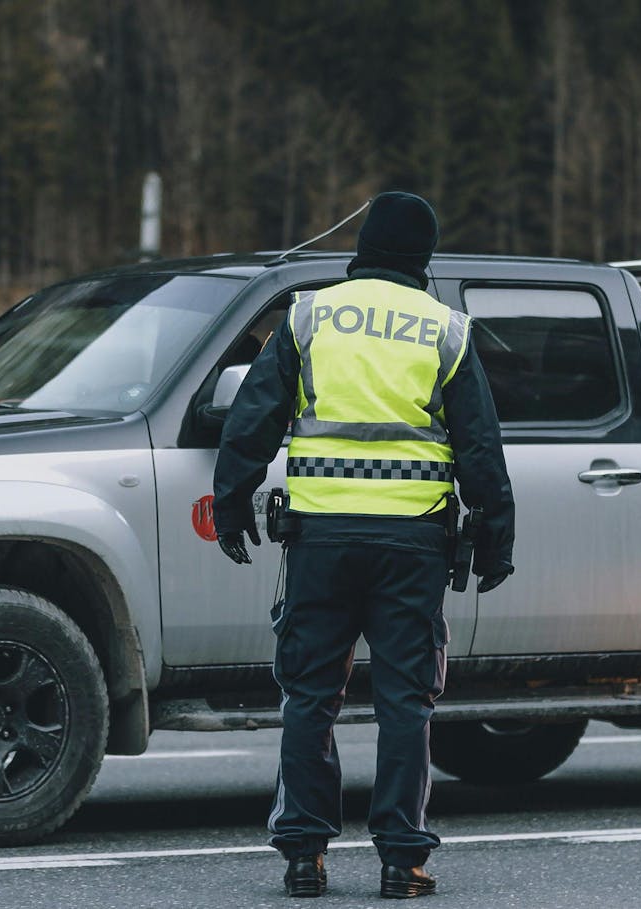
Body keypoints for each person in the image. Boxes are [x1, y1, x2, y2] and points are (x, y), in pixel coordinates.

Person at [212, 191, 516, 899]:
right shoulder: (447, 330)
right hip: (412, 546)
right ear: (422, 256)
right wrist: (496, 538)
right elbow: (480, 449)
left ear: (364, 246)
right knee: (405, 701)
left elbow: (250, 421)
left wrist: (231, 505)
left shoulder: (310, 316)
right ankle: (402, 862)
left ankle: (303, 858)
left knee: (309, 696)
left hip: (320, 540)